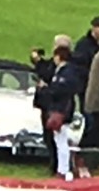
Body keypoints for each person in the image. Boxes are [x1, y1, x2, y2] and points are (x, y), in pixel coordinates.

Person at [33, 44, 81, 179]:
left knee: (61, 142)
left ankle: (63, 170)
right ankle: (62, 168)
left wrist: (44, 88)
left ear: (58, 57)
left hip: (61, 110)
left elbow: (59, 90)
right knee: (60, 140)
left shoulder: (66, 72)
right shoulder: (67, 71)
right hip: (62, 109)